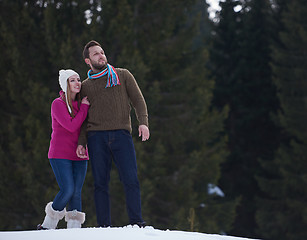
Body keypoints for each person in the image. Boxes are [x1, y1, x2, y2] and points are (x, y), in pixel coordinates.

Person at [76, 40, 150, 228]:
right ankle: (103, 227)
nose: (101, 56)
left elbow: (138, 100)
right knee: (100, 184)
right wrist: (81, 142)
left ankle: (136, 222)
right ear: (87, 60)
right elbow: (82, 118)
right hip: (96, 138)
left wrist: (143, 123)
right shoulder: (85, 86)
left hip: (121, 135)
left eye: (102, 52)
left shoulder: (122, 75)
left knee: (130, 179)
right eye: (95, 54)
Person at [37, 69, 90, 230]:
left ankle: (74, 231)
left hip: (80, 154)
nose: (77, 83)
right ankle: (47, 225)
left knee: (76, 192)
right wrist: (85, 109)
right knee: (67, 190)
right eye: (72, 80)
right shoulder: (57, 104)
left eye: (78, 79)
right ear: (65, 84)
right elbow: (72, 126)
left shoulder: (82, 103)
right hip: (60, 154)